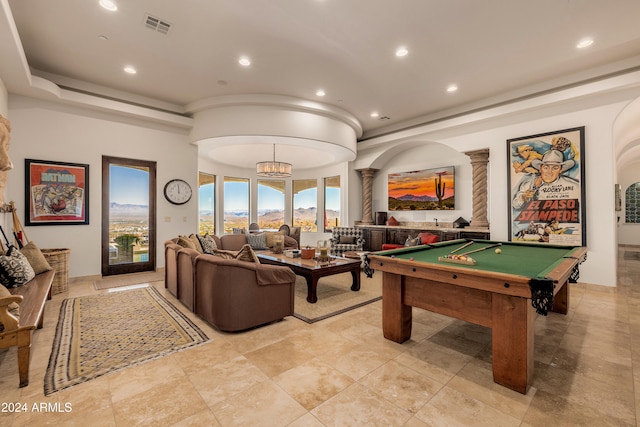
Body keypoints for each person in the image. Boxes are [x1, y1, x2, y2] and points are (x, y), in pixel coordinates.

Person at [512, 149, 579, 209]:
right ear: (540, 169)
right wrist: (523, 197)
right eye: (546, 168)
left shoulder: (574, 186)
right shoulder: (528, 185)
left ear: (560, 169)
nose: (549, 172)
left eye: (555, 168)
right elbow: (515, 204)